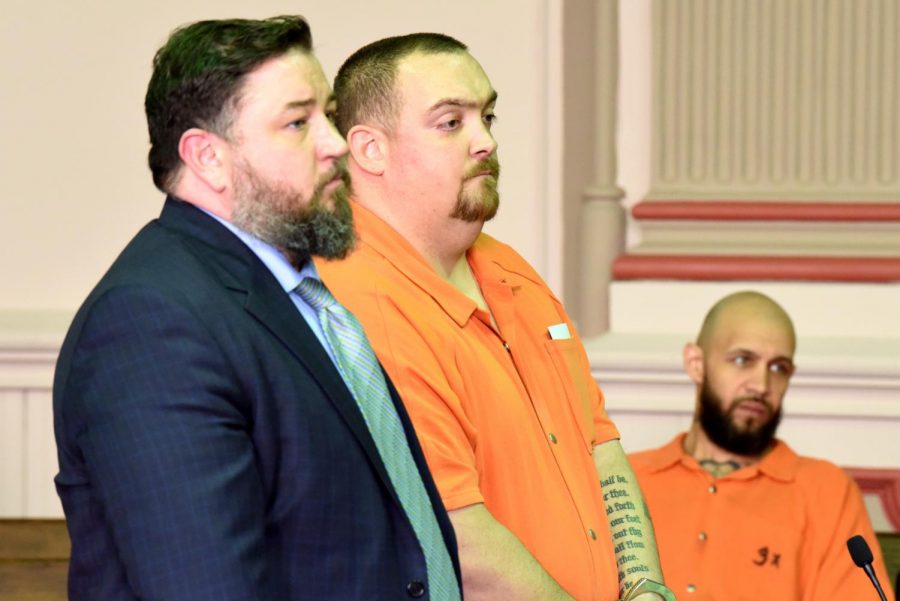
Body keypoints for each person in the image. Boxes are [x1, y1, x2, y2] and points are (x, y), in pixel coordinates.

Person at [53, 16, 460, 601]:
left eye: (328, 112)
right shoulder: (151, 323)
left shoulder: (291, 293)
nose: (336, 142)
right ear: (208, 157)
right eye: (298, 122)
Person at [317, 33, 668, 601]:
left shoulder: (508, 267)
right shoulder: (356, 307)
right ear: (369, 149)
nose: (486, 141)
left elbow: (598, 446)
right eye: (450, 122)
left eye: (487, 115)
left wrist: (647, 589)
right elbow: (462, 542)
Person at [629, 291, 894, 601]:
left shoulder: (824, 489)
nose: (761, 385)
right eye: (743, 360)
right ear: (696, 364)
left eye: (778, 368)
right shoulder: (624, 478)